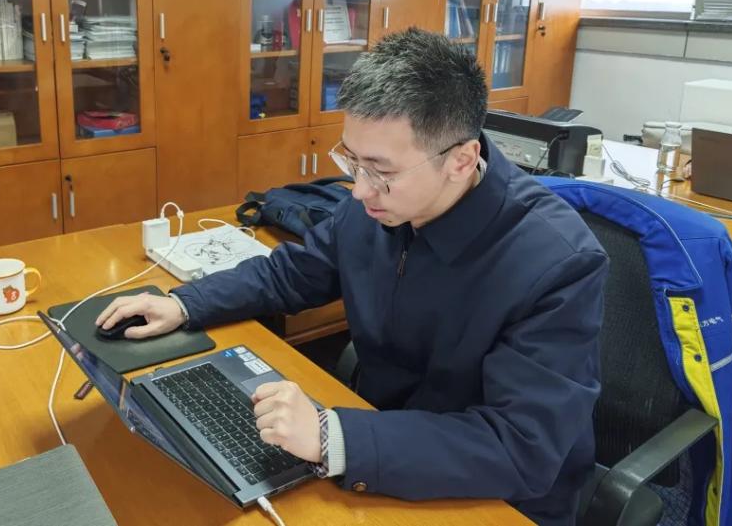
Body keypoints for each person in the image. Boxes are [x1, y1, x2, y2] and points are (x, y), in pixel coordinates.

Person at [96, 27, 608, 525]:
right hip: (381, 448)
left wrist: (331, 436)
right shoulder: (377, 208)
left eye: (381, 171)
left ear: (461, 160)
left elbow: (521, 448)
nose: (360, 190)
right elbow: (293, 273)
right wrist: (186, 303)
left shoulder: (557, 262)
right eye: (352, 161)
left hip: (493, 495)